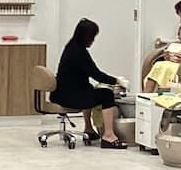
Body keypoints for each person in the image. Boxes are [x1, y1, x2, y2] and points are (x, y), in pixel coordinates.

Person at [53, 18, 127, 149]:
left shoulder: (70, 47)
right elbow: (96, 74)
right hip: (71, 98)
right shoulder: (80, 53)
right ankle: (108, 136)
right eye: (92, 37)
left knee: (89, 88)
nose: (93, 41)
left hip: (60, 94)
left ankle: (89, 129)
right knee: (107, 95)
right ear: (86, 37)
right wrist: (117, 81)